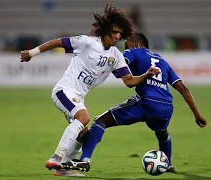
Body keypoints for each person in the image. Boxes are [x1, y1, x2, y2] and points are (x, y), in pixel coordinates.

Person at [20, 5, 160, 177]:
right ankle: (57, 157)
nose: (117, 36)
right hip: (63, 91)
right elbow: (58, 42)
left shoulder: (116, 56)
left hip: (78, 97)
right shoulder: (86, 42)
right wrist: (32, 53)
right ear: (106, 29)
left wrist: (146, 75)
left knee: (85, 135)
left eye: (119, 33)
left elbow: (129, 81)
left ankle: (64, 169)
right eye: (114, 31)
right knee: (84, 117)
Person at [62, 33, 208, 173]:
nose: (126, 50)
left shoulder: (135, 51)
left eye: (127, 46)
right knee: (162, 132)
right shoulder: (162, 61)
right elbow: (182, 87)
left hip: (146, 103)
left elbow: (120, 63)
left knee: (101, 121)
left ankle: (85, 159)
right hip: (166, 107)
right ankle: (167, 164)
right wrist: (197, 114)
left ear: (136, 44)